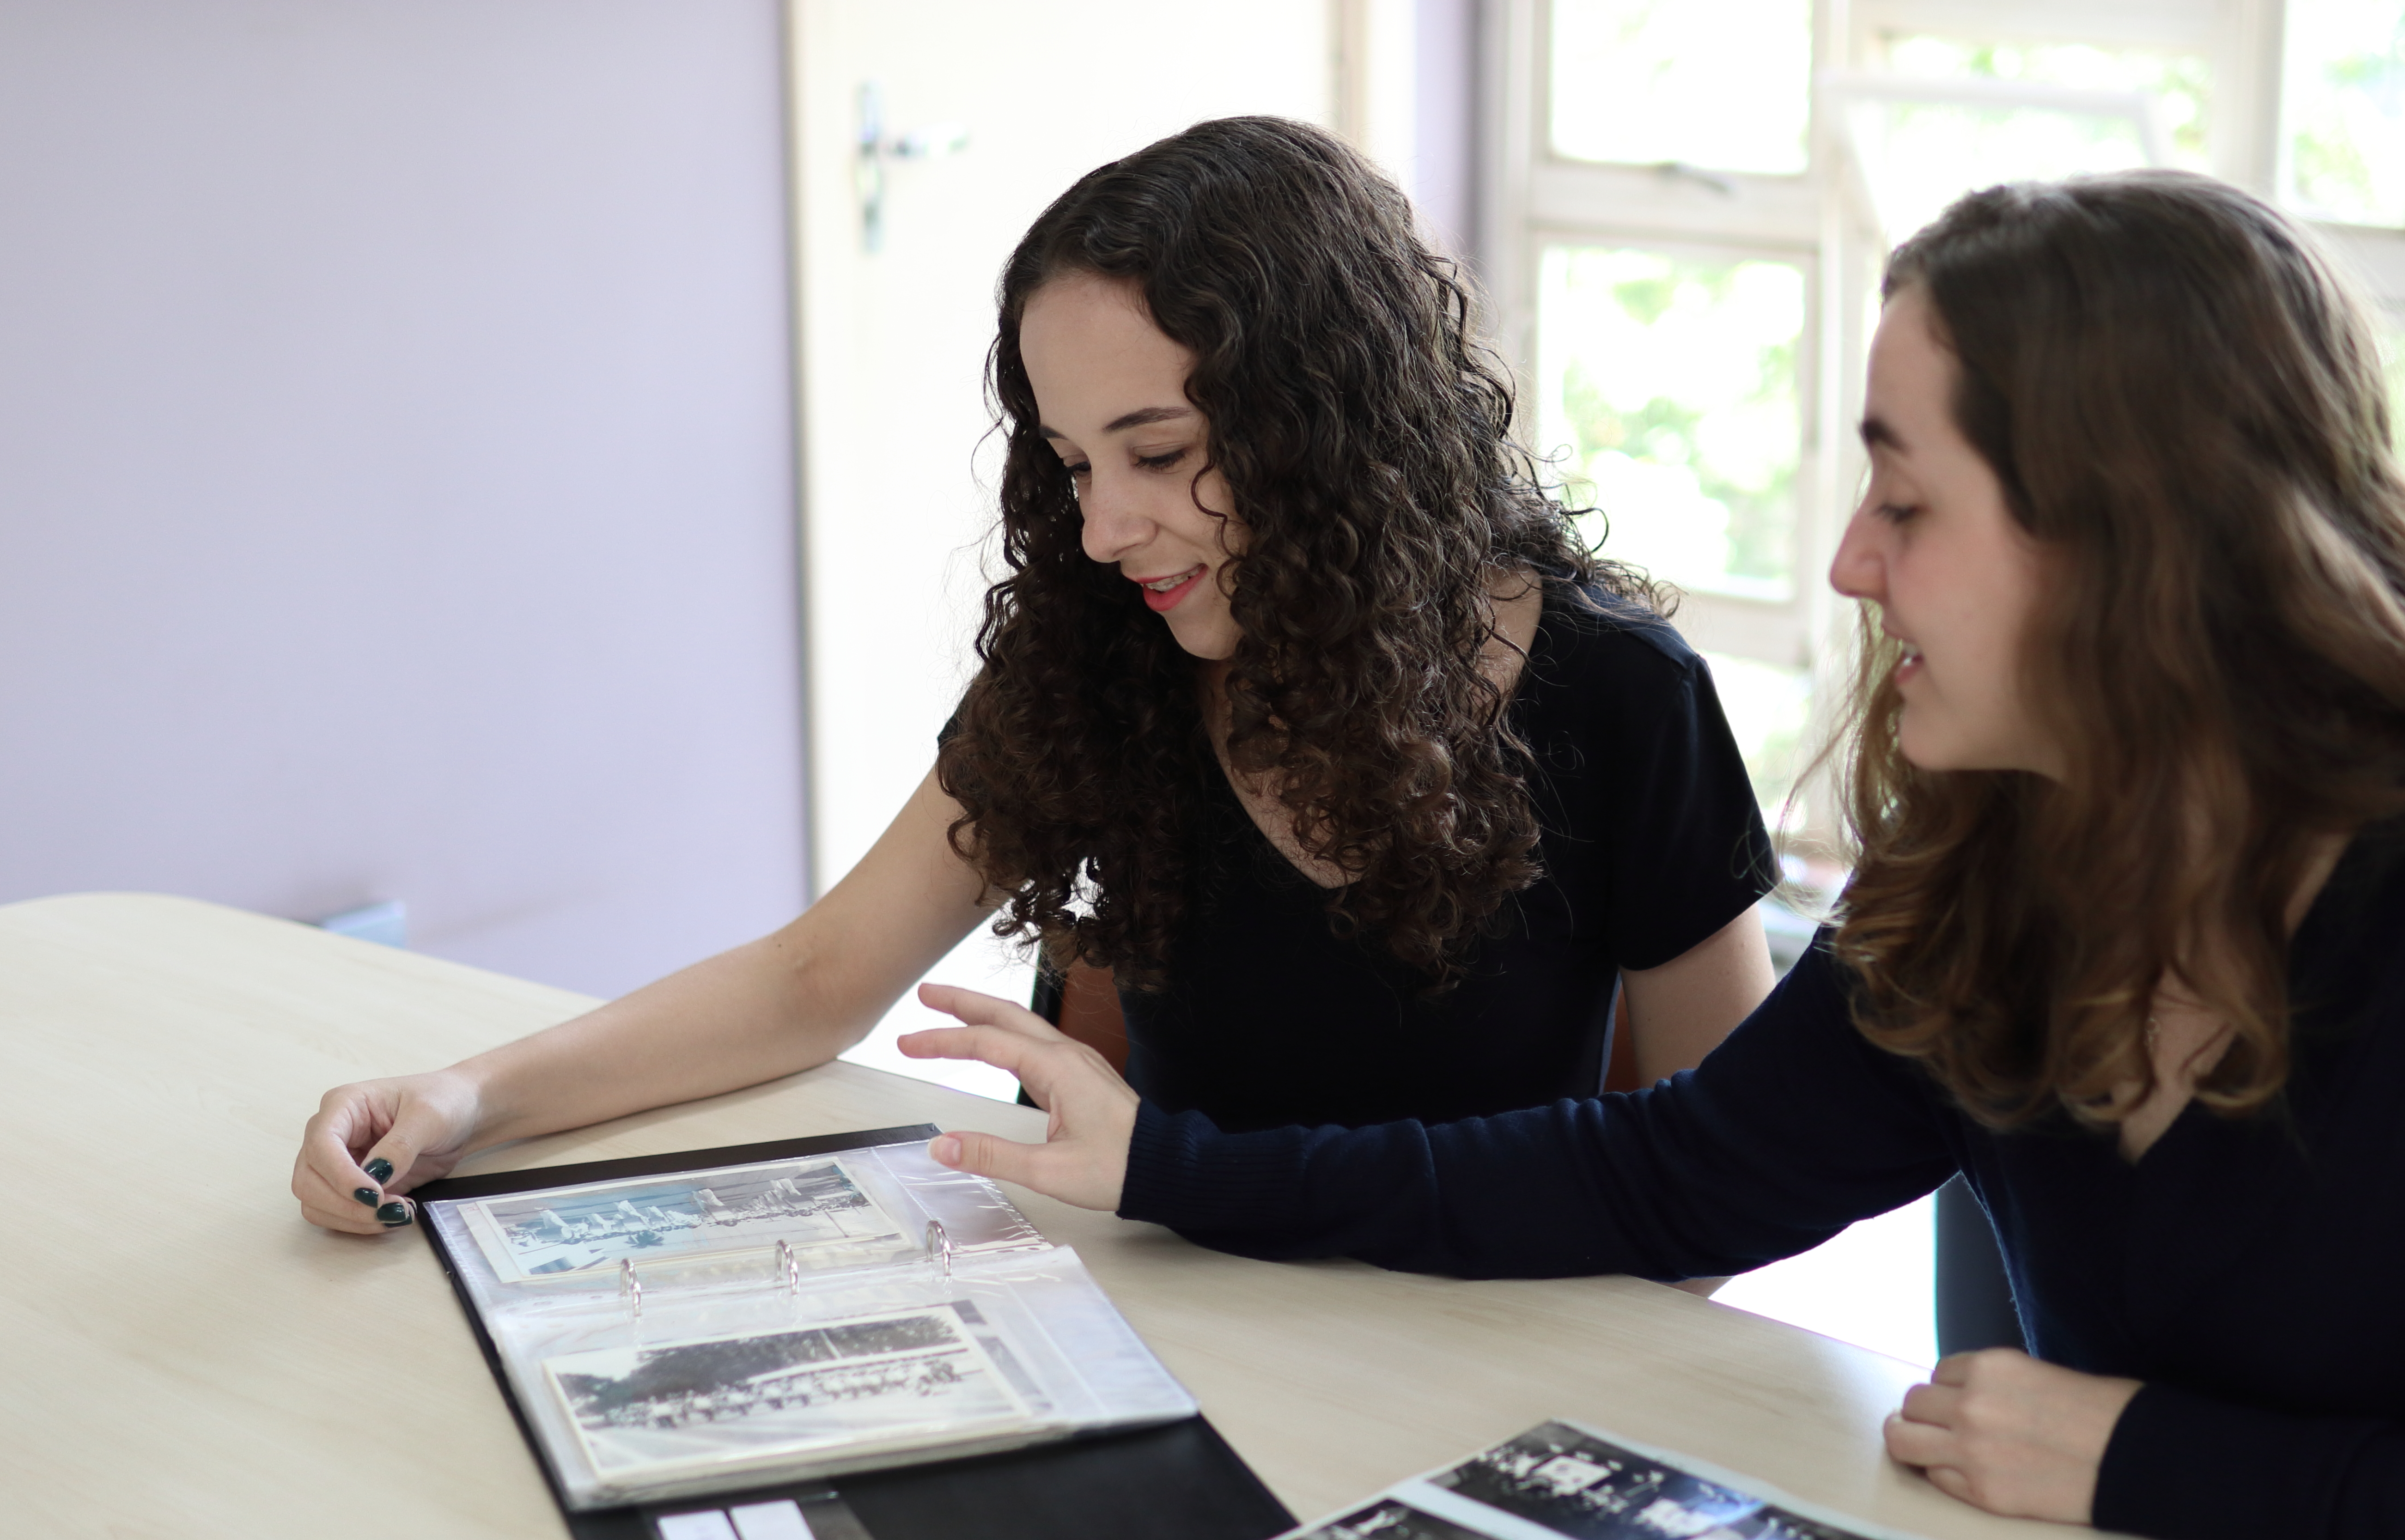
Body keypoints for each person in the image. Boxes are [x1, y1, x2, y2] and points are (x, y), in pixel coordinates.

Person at [903, 171, 2405, 1540]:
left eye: (1908, 499)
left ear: (2123, 547)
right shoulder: (1998, 860)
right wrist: (1174, 1169)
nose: (1851, 560)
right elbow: (1664, 1173)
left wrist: (2155, 1459)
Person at [290, 117, 1776, 1233]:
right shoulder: (1106, 654)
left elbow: (1723, 1177)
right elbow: (817, 979)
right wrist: (468, 1097)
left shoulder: (1625, 698)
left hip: (1489, 1352)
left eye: (1161, 455)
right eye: (1072, 463)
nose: (1105, 527)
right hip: (1178, 1327)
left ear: (1330, 427)